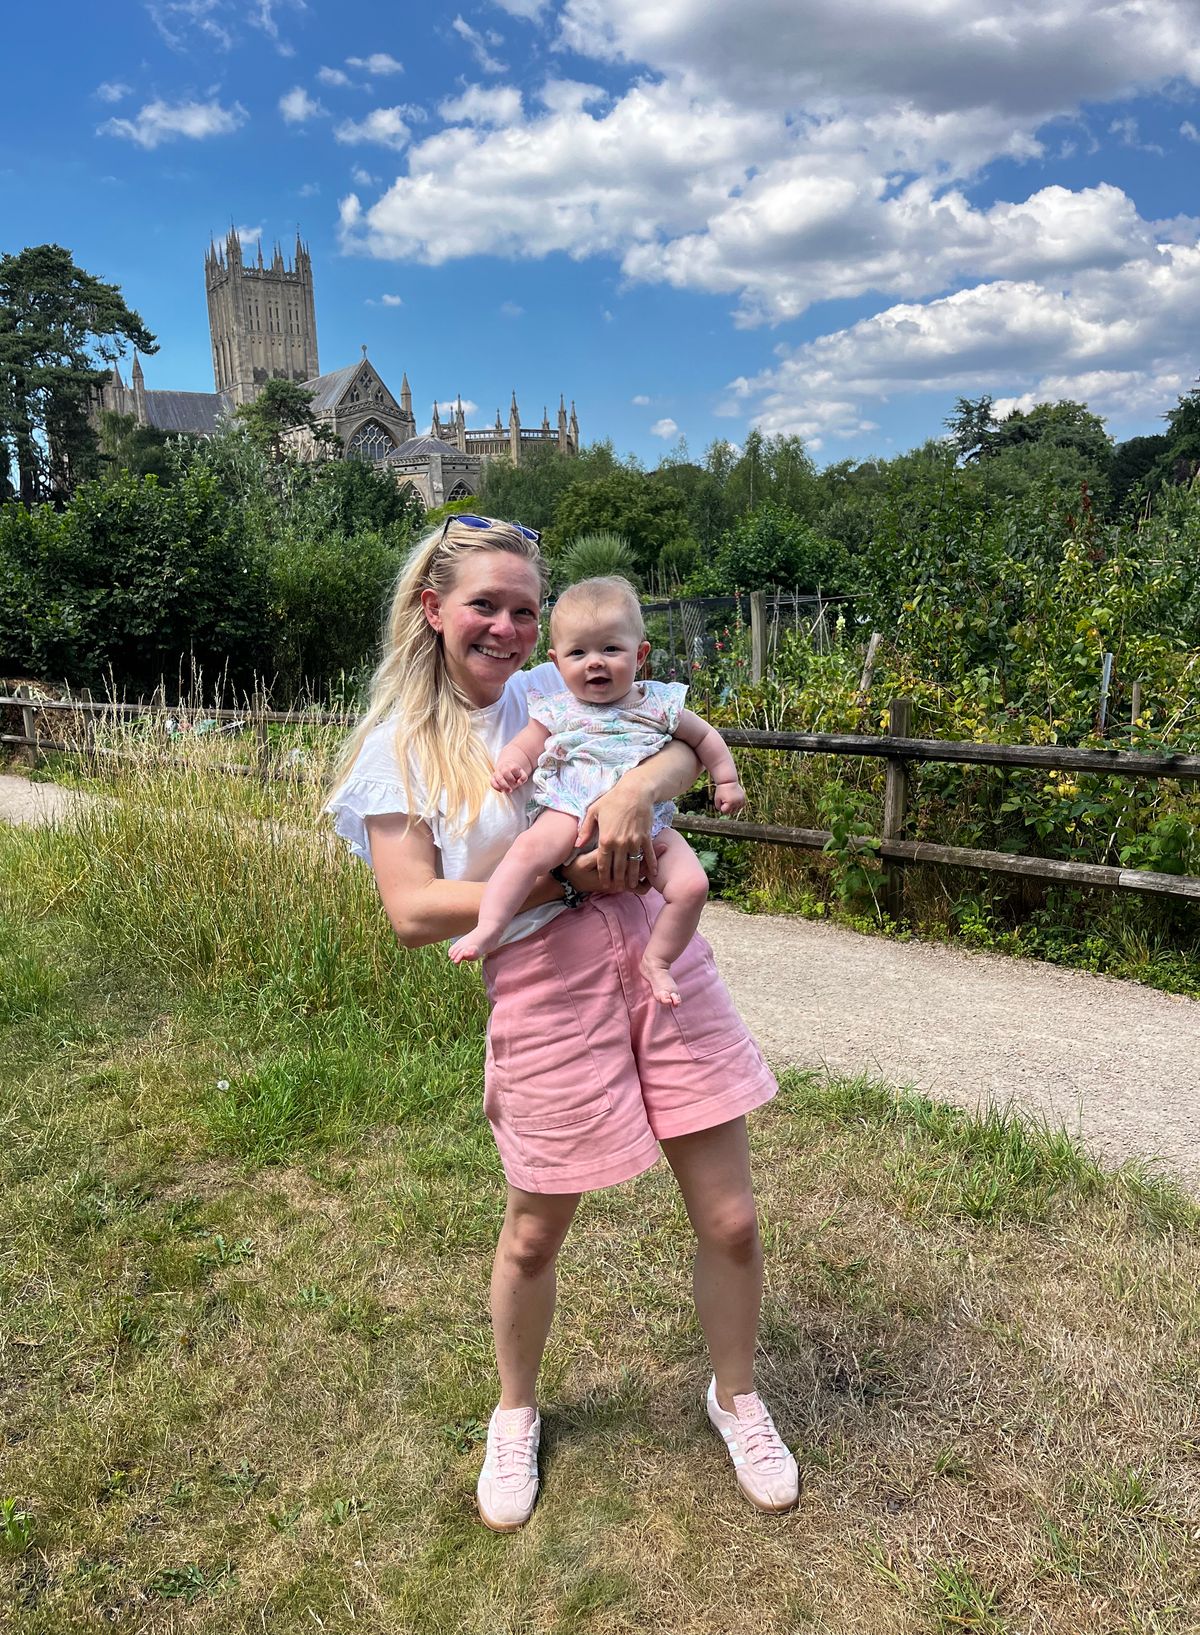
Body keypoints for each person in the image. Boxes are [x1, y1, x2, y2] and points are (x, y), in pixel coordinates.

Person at [326, 515, 798, 1532]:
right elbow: (412, 911)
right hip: (544, 985)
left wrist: (639, 787)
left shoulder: (554, 686)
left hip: (661, 966)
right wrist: (567, 880)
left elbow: (674, 732)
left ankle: (737, 1396)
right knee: (537, 1235)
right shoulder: (399, 748)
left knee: (732, 1217)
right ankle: (516, 1410)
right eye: (483, 605)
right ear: (433, 609)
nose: (503, 626)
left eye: (522, 611)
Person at [448, 574, 745, 1005]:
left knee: (693, 886)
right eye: (578, 652)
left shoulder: (658, 703)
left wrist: (728, 780)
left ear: (639, 654)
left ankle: (657, 961)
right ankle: (491, 926)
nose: (595, 662)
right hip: (568, 813)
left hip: (650, 826)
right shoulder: (558, 708)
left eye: (610, 649)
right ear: (556, 661)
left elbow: (704, 739)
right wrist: (512, 765)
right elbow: (526, 745)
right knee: (527, 852)